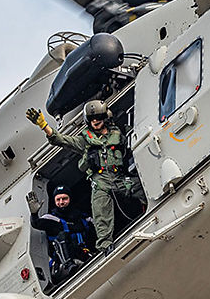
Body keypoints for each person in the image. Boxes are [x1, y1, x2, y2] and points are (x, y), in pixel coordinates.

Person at [26, 100, 143, 254]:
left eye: (99, 118)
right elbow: (62, 140)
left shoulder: (117, 134)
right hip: (100, 181)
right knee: (101, 211)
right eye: (93, 119)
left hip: (118, 176)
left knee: (140, 186)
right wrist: (44, 126)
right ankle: (105, 244)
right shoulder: (85, 140)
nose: (96, 122)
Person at [28, 184, 94, 284]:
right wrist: (34, 214)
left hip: (82, 254)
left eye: (64, 199)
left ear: (70, 199)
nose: (61, 202)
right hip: (62, 264)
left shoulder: (81, 217)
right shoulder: (51, 219)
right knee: (63, 236)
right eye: (58, 200)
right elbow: (36, 223)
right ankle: (68, 264)